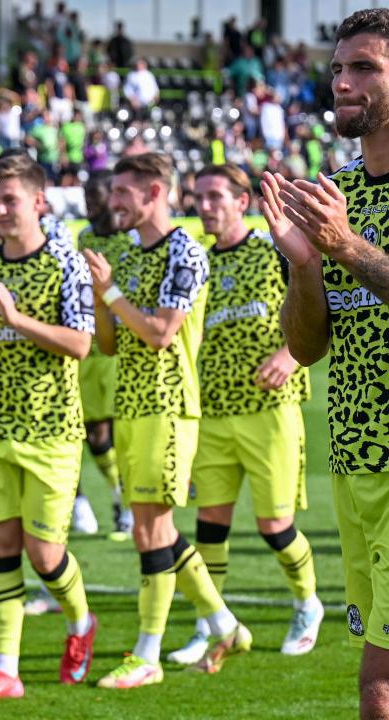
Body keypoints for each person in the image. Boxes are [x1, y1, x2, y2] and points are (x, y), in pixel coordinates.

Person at [261, 9, 389, 717]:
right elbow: (308, 347)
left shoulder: (343, 220)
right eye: (339, 68)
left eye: (364, 67)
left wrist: (348, 251)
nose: (343, 82)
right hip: (356, 461)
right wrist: (307, 267)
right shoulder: (337, 194)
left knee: (379, 685)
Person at [83, 153, 250, 689]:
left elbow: (159, 333)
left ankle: (147, 654)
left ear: (155, 192)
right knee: (153, 529)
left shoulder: (186, 252)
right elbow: (107, 344)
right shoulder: (127, 254)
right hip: (130, 405)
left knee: (150, 529)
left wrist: (110, 292)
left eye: (123, 194)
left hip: (168, 406)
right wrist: (101, 299)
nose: (113, 204)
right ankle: (224, 625)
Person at [162, 163, 322, 667]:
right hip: (212, 413)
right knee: (210, 524)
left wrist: (290, 355)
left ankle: (307, 604)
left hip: (270, 411)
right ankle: (212, 624)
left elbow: (319, 308)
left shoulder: (275, 251)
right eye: (198, 198)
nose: (204, 207)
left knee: (275, 525)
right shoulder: (200, 262)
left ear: (241, 202)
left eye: (214, 197)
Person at [0, 151, 96, 704]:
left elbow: (81, 344)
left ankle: (81, 623)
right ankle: (4, 669)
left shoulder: (67, 263)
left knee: (44, 555)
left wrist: (17, 321)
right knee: (0, 552)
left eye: (10, 200)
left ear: (39, 202)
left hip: (51, 430)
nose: (1, 211)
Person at [73, 170, 136, 544]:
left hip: (120, 350)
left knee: (119, 434)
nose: (89, 203)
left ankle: (128, 502)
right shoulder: (85, 237)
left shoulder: (129, 241)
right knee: (95, 435)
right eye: (86, 196)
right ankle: (119, 496)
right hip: (89, 348)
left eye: (95, 196)